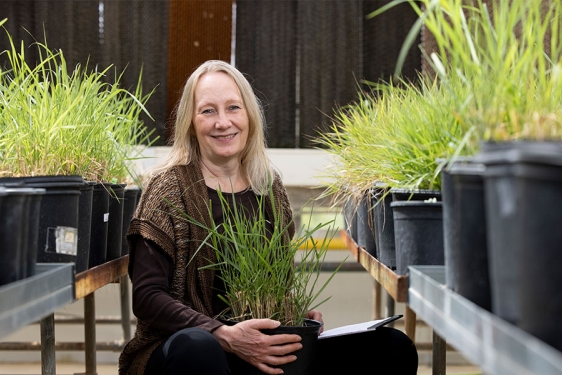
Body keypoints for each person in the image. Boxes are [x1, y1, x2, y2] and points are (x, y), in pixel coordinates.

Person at [118, 60, 418, 375]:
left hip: (259, 349)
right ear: (190, 123)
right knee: (199, 347)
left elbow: (278, 286)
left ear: (249, 115)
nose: (223, 122)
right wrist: (224, 335)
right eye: (208, 111)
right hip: (184, 352)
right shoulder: (167, 189)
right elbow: (147, 297)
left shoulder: (268, 187)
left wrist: (296, 316)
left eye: (233, 107)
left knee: (390, 347)